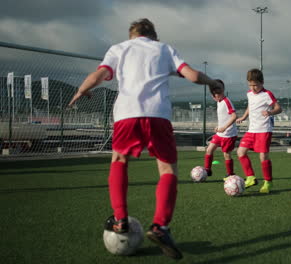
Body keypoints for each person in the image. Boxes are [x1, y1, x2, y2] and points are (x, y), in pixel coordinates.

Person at [68, 18, 221, 259]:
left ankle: (120, 220)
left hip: (126, 114)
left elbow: (99, 75)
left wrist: (81, 90)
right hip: (158, 114)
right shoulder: (165, 49)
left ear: (132, 35)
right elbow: (191, 76)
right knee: (167, 169)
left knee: (119, 159)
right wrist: (213, 82)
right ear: (154, 36)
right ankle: (160, 225)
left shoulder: (119, 49)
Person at [236, 69, 282, 193]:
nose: (253, 88)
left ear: (262, 82)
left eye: (255, 85)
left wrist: (270, 112)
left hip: (264, 130)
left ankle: (268, 182)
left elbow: (279, 108)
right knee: (240, 152)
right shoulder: (249, 94)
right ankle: (250, 177)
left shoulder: (267, 94)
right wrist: (244, 117)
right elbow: (250, 106)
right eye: (250, 85)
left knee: (263, 156)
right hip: (252, 130)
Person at [204, 80, 238, 178]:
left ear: (223, 90)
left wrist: (224, 127)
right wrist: (219, 127)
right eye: (215, 94)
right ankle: (207, 170)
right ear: (213, 96)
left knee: (226, 155)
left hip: (229, 134)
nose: (217, 96)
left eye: (219, 93)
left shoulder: (227, 101)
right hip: (220, 134)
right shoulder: (219, 102)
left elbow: (234, 116)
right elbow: (224, 118)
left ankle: (230, 174)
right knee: (209, 149)